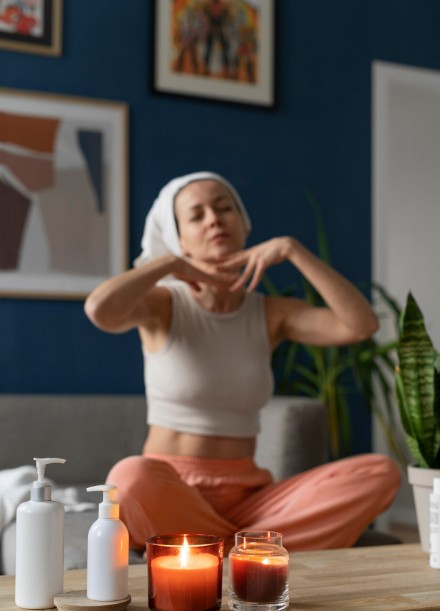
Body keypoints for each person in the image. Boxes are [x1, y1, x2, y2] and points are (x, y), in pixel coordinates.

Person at [84, 171, 400, 554]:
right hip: (170, 490)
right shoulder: (163, 305)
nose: (214, 219)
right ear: (177, 236)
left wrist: (291, 250)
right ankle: (255, 550)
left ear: (243, 223)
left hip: (250, 497)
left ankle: (215, 549)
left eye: (223, 208)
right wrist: (168, 264)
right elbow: (99, 309)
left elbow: (360, 325)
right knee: (129, 477)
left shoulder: (271, 314)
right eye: (196, 215)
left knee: (379, 473)